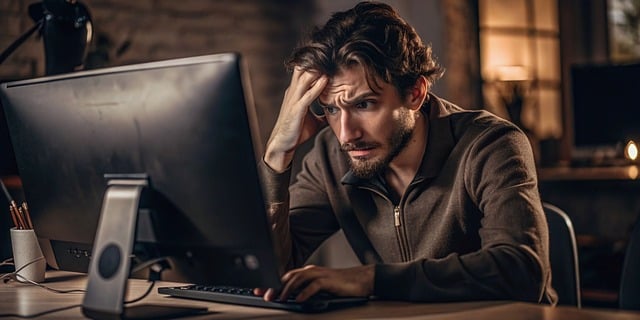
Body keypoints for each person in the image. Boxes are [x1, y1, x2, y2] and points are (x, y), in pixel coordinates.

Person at [255, 1, 557, 304]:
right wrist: (278, 156)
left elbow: (521, 271)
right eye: (332, 108)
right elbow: (270, 268)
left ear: (415, 93)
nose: (347, 134)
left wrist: (371, 279)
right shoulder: (329, 156)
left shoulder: (490, 144)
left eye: (364, 104)